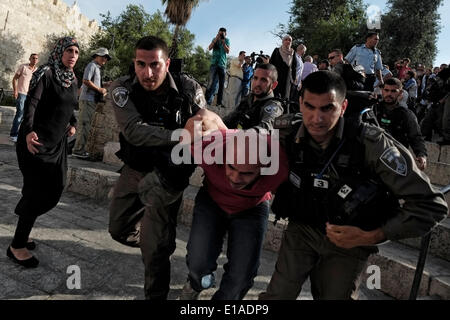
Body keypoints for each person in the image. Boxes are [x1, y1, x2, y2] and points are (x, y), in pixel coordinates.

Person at [259, 71, 448, 300]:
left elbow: (432, 205)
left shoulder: (371, 144)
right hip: (302, 230)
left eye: (327, 108)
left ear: (344, 106)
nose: (316, 118)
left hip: (349, 241)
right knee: (277, 296)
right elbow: (243, 145)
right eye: (309, 107)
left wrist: (372, 236)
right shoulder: (286, 132)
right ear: (300, 103)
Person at [107, 36, 217, 300]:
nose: (147, 73)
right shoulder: (122, 88)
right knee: (118, 228)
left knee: (156, 251)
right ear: (134, 64)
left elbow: (205, 123)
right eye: (141, 64)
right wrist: (180, 135)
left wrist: (205, 121)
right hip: (134, 169)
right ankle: (153, 241)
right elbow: (133, 131)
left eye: (155, 65)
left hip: (167, 176)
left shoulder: (188, 87)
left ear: (166, 63)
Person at [179, 128, 288, 300]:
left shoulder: (281, 165)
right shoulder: (206, 147)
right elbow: (195, 125)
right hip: (212, 199)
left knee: (241, 277)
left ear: (264, 167)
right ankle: (195, 284)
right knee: (198, 265)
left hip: (253, 206)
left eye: (247, 173)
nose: (236, 178)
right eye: (231, 167)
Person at [6, 37, 79, 268]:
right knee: (37, 193)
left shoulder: (72, 78)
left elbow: (70, 106)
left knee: (55, 187)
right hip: (35, 143)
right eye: (69, 50)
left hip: (57, 146)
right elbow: (32, 105)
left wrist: (72, 123)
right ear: (59, 52)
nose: (73, 55)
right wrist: (27, 132)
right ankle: (17, 245)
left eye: (77, 52)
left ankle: (24, 224)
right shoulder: (46, 73)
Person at [373, 77, 427, 170]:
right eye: (386, 90)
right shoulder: (373, 110)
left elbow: (416, 137)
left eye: (393, 91)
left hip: (395, 160)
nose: (389, 94)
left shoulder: (407, 115)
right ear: (382, 91)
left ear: (400, 93)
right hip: (373, 157)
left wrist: (421, 154)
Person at [72, 48, 111, 159]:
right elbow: (86, 81)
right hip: (87, 99)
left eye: (106, 58)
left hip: (91, 100)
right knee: (84, 125)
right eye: (103, 56)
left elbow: (92, 82)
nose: (105, 59)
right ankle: (78, 150)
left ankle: (80, 149)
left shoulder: (97, 68)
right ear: (96, 56)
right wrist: (99, 89)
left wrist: (104, 84)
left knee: (86, 125)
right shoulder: (92, 66)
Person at [223, 63, 283, 131]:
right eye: (255, 78)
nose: (257, 83)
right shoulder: (249, 99)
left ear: (274, 85)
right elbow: (230, 119)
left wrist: (234, 135)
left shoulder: (273, 106)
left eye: (263, 80)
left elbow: (265, 130)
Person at [9, 54, 39, 143]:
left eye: (36, 58)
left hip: (30, 95)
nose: (34, 60)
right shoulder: (23, 67)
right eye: (33, 58)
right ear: (30, 59)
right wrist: (15, 91)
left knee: (27, 115)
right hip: (21, 93)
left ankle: (22, 134)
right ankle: (13, 134)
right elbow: (14, 79)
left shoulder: (37, 70)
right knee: (20, 114)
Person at [205, 27, 230, 107]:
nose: (221, 34)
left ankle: (218, 103)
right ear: (218, 33)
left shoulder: (227, 40)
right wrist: (216, 39)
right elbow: (209, 48)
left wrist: (223, 43)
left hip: (222, 64)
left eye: (223, 33)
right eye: (220, 33)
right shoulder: (214, 39)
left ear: (225, 34)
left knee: (221, 85)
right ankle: (207, 101)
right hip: (214, 63)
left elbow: (228, 51)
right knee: (211, 82)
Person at [270, 35, 297, 100]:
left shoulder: (293, 53)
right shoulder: (276, 50)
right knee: (275, 96)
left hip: (287, 79)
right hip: (277, 78)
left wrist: (294, 78)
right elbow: (271, 64)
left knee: (285, 98)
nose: (288, 41)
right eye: (286, 40)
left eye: (289, 40)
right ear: (283, 41)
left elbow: (294, 66)